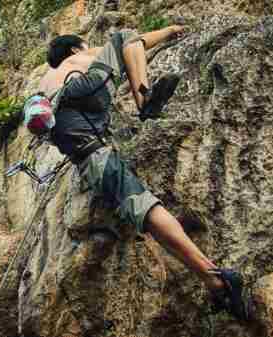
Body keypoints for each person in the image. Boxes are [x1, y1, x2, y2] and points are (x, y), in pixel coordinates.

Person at [38, 26, 248, 321]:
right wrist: (170, 31)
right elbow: (134, 43)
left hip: (83, 148)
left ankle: (214, 280)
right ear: (75, 49)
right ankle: (144, 100)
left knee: (141, 210)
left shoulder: (47, 81)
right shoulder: (79, 60)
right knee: (125, 36)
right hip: (86, 109)